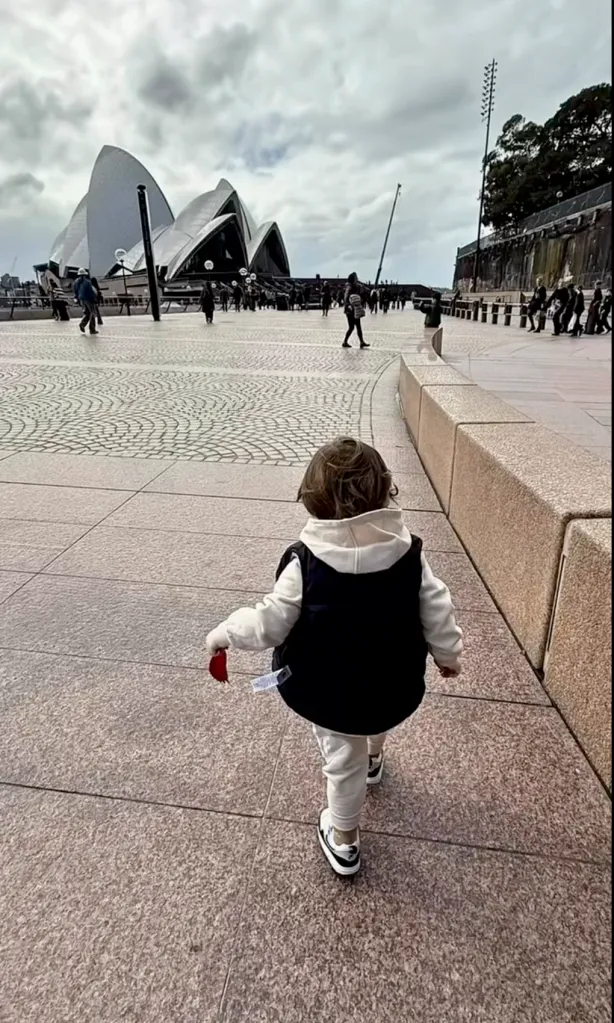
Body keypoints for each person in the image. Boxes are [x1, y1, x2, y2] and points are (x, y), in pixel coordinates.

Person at [206, 437, 463, 876]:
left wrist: (224, 634)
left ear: (312, 500)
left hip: (327, 689)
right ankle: (375, 760)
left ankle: (344, 839)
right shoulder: (410, 556)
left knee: (342, 760)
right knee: (376, 717)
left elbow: (268, 623)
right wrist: (448, 655)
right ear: (386, 492)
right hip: (391, 681)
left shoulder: (305, 565)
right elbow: (437, 609)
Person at [342, 272, 369, 349]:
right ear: (353, 279)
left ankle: (361, 342)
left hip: (355, 309)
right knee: (351, 327)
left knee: (358, 326)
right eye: (356, 278)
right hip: (350, 310)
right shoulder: (349, 287)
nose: (357, 279)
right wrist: (349, 305)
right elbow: (346, 297)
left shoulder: (355, 286)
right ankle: (345, 341)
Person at [73, 269, 99, 335]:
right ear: (85, 275)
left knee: (86, 313)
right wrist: (94, 299)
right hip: (88, 299)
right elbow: (91, 292)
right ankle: (92, 329)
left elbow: (75, 291)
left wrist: (77, 298)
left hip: (81, 299)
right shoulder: (87, 282)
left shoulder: (76, 282)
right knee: (92, 313)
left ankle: (82, 324)